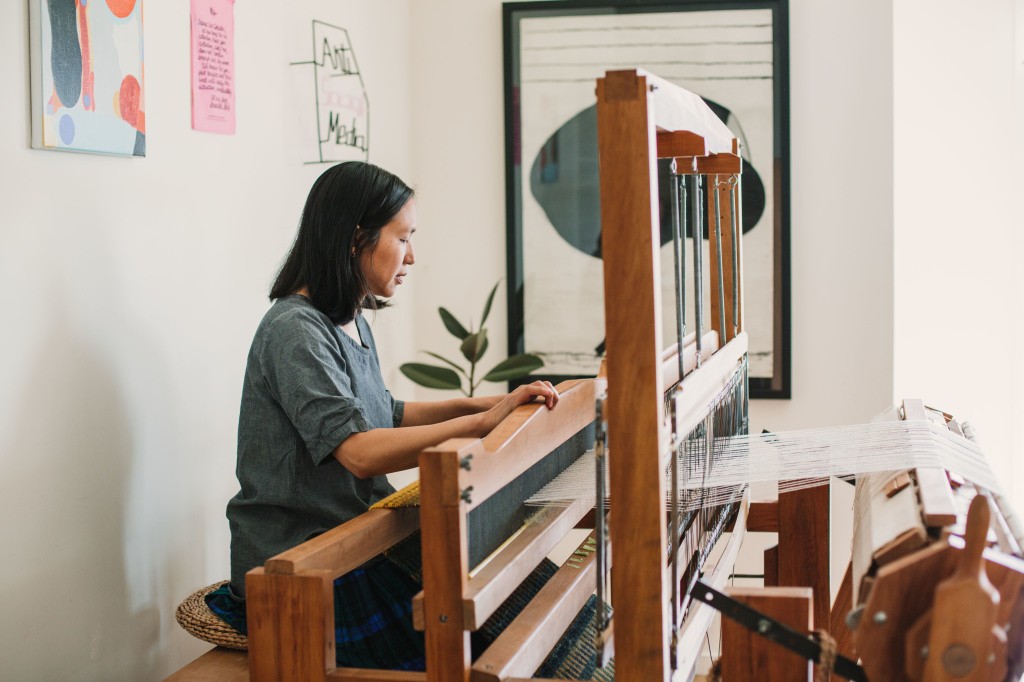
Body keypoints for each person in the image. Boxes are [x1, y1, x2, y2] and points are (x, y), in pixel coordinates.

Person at [204, 161, 558, 671]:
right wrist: (483, 423)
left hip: (358, 537)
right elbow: (361, 452)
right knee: (478, 635)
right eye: (403, 237)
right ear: (355, 239)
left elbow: (382, 413)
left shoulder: (349, 318)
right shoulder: (295, 330)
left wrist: (485, 403)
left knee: (514, 598)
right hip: (307, 561)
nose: (412, 255)